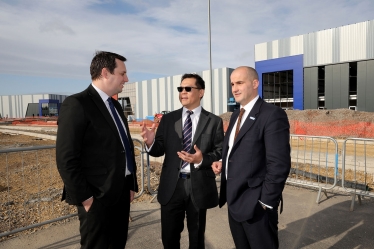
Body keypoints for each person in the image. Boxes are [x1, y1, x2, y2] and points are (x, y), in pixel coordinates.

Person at [56, 51, 138, 249]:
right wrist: (85, 198)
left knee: (118, 244)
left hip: (121, 193)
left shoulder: (116, 107)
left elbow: (123, 147)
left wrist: (131, 184)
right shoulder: (77, 104)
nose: (126, 79)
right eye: (122, 73)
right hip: (96, 198)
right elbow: (66, 158)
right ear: (105, 73)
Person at [141, 73, 224, 249]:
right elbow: (159, 149)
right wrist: (150, 142)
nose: (183, 92)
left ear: (201, 92)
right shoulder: (169, 119)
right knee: (169, 237)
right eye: (180, 89)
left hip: (199, 184)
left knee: (196, 237)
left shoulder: (214, 121)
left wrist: (202, 159)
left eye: (188, 88)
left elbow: (219, 150)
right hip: (172, 185)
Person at [212, 66, 291, 249]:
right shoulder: (235, 116)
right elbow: (236, 149)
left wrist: (264, 203)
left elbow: (279, 164)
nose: (234, 88)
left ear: (255, 83)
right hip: (234, 201)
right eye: (232, 84)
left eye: (240, 82)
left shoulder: (272, 114)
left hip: (256, 206)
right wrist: (222, 163)